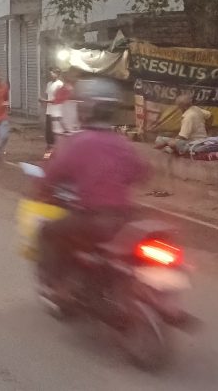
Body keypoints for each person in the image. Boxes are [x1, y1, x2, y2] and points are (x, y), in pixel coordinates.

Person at [37, 78, 151, 301]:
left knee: (48, 232)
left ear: (85, 110)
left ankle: (60, 287)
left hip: (92, 219)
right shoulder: (122, 143)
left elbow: (52, 174)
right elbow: (142, 172)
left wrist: (42, 189)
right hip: (124, 219)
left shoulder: (78, 142)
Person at [41, 68, 63, 159]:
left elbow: (58, 99)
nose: (51, 75)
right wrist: (44, 102)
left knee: (55, 132)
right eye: (51, 73)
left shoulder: (60, 84)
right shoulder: (49, 84)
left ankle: (56, 152)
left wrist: (45, 101)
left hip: (57, 111)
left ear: (58, 74)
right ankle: (49, 152)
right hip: (49, 111)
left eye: (53, 73)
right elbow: (48, 95)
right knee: (48, 132)